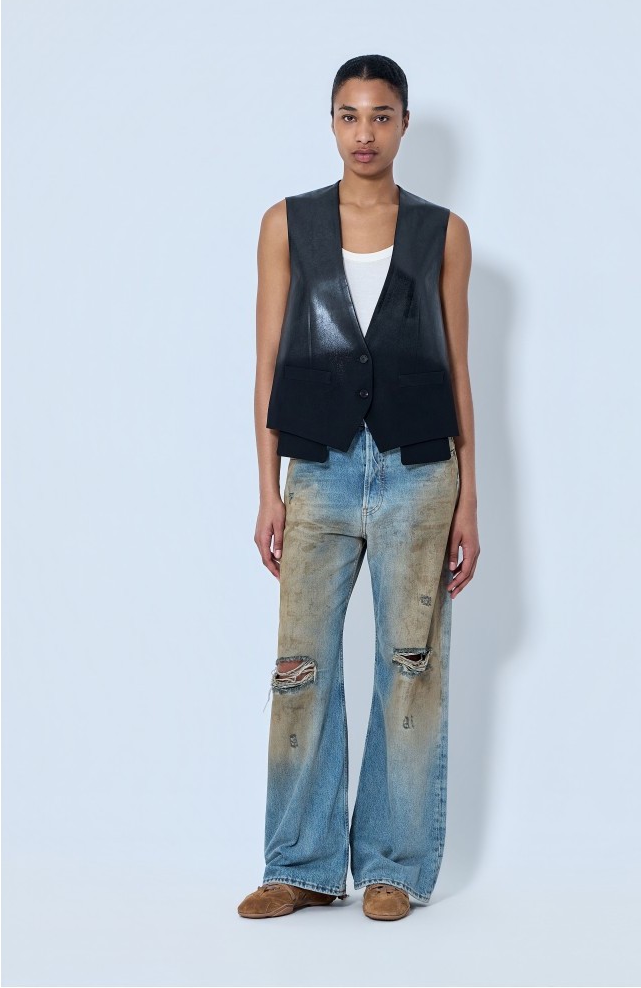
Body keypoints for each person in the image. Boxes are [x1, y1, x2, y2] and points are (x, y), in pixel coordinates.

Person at [239, 54, 480, 922]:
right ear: (332, 122)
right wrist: (269, 488)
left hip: (419, 470)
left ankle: (393, 866)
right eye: (350, 115)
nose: (365, 133)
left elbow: (457, 370)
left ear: (404, 123)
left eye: (381, 116)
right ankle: (299, 865)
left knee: (409, 664)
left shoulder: (442, 233)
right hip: (320, 468)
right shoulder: (288, 224)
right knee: (299, 666)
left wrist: (469, 499)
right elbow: (269, 361)